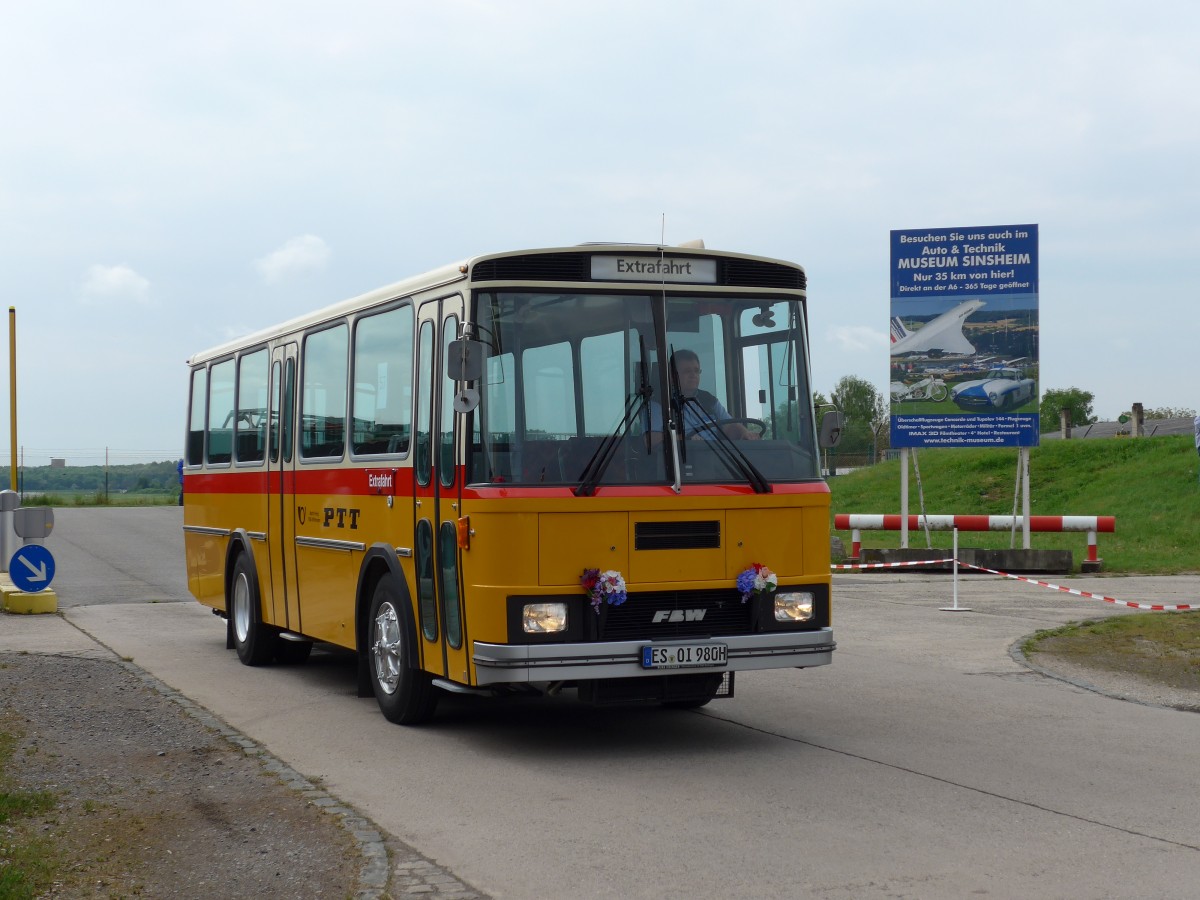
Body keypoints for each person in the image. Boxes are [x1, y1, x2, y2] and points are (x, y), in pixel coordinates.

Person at [646, 349, 760, 442]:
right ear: (672, 375)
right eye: (687, 371)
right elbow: (651, 440)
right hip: (681, 459)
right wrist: (684, 439)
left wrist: (745, 433)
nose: (693, 375)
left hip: (719, 457)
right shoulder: (658, 404)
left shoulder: (708, 400)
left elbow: (730, 426)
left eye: (696, 371)